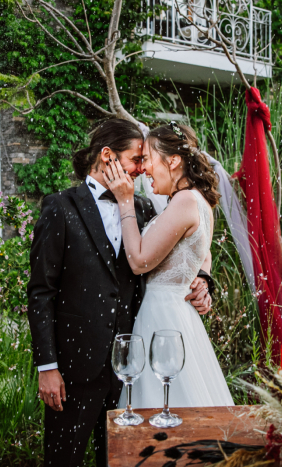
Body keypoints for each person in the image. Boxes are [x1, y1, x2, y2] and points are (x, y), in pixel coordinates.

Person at [26, 119, 214, 467]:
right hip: (73, 372)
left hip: (131, 371)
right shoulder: (60, 208)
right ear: (107, 156)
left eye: (146, 160)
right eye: (136, 159)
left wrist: (202, 278)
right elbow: (40, 292)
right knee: (61, 460)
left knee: (121, 461)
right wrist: (47, 367)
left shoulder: (143, 209)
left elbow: (189, 242)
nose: (142, 168)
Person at [105, 122, 234, 409]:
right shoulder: (195, 201)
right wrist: (203, 276)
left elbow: (139, 262)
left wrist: (125, 201)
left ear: (173, 161)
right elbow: (202, 255)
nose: (145, 169)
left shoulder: (186, 201)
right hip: (176, 315)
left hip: (163, 319)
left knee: (163, 409)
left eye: (148, 159)